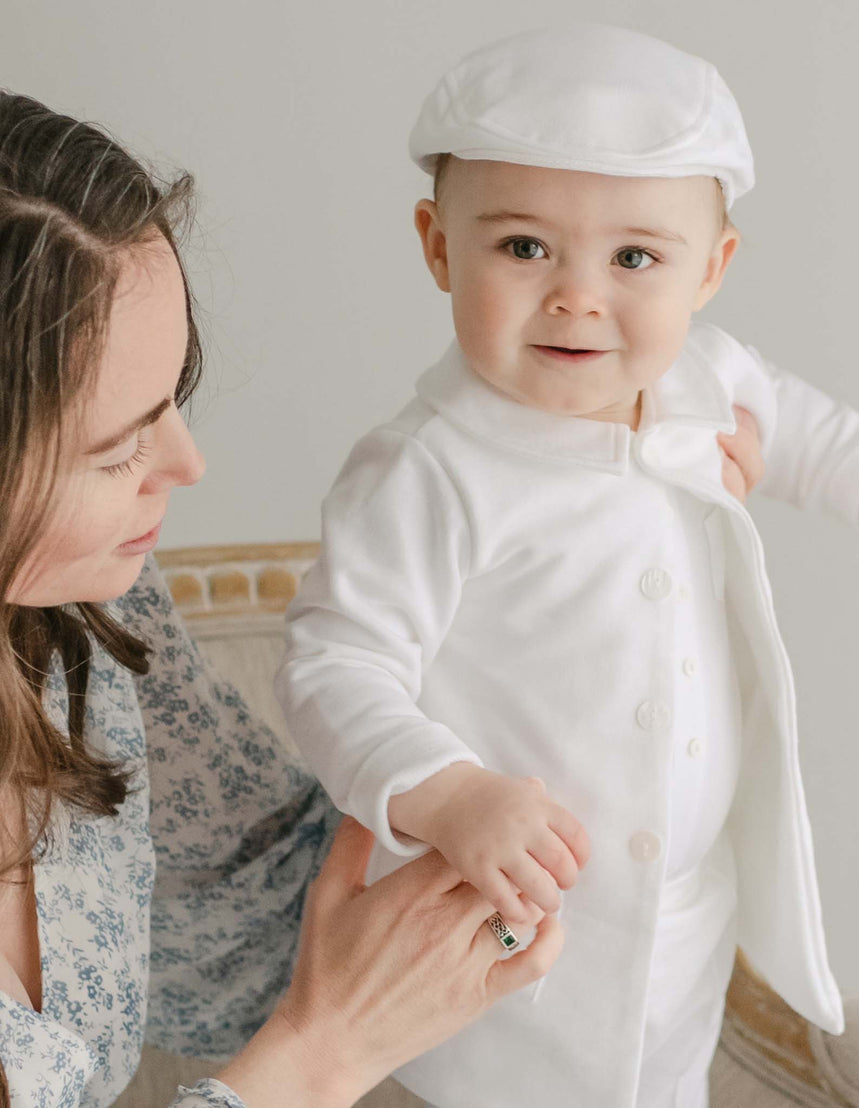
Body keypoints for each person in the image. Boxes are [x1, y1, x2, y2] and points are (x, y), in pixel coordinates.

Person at [276, 24, 859, 1108]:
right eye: (521, 247)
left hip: (682, 918)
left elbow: (795, 423)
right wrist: (447, 791)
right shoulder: (432, 468)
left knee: (662, 1081)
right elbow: (333, 666)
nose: (577, 296)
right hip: (496, 925)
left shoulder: (704, 374)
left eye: (633, 258)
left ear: (711, 271)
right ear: (435, 246)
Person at [0, 90, 571, 1108]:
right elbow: (319, 1005)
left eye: (174, 395)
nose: (185, 462)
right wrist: (323, 1053)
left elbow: (264, 901)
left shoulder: (79, 626)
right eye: (117, 445)